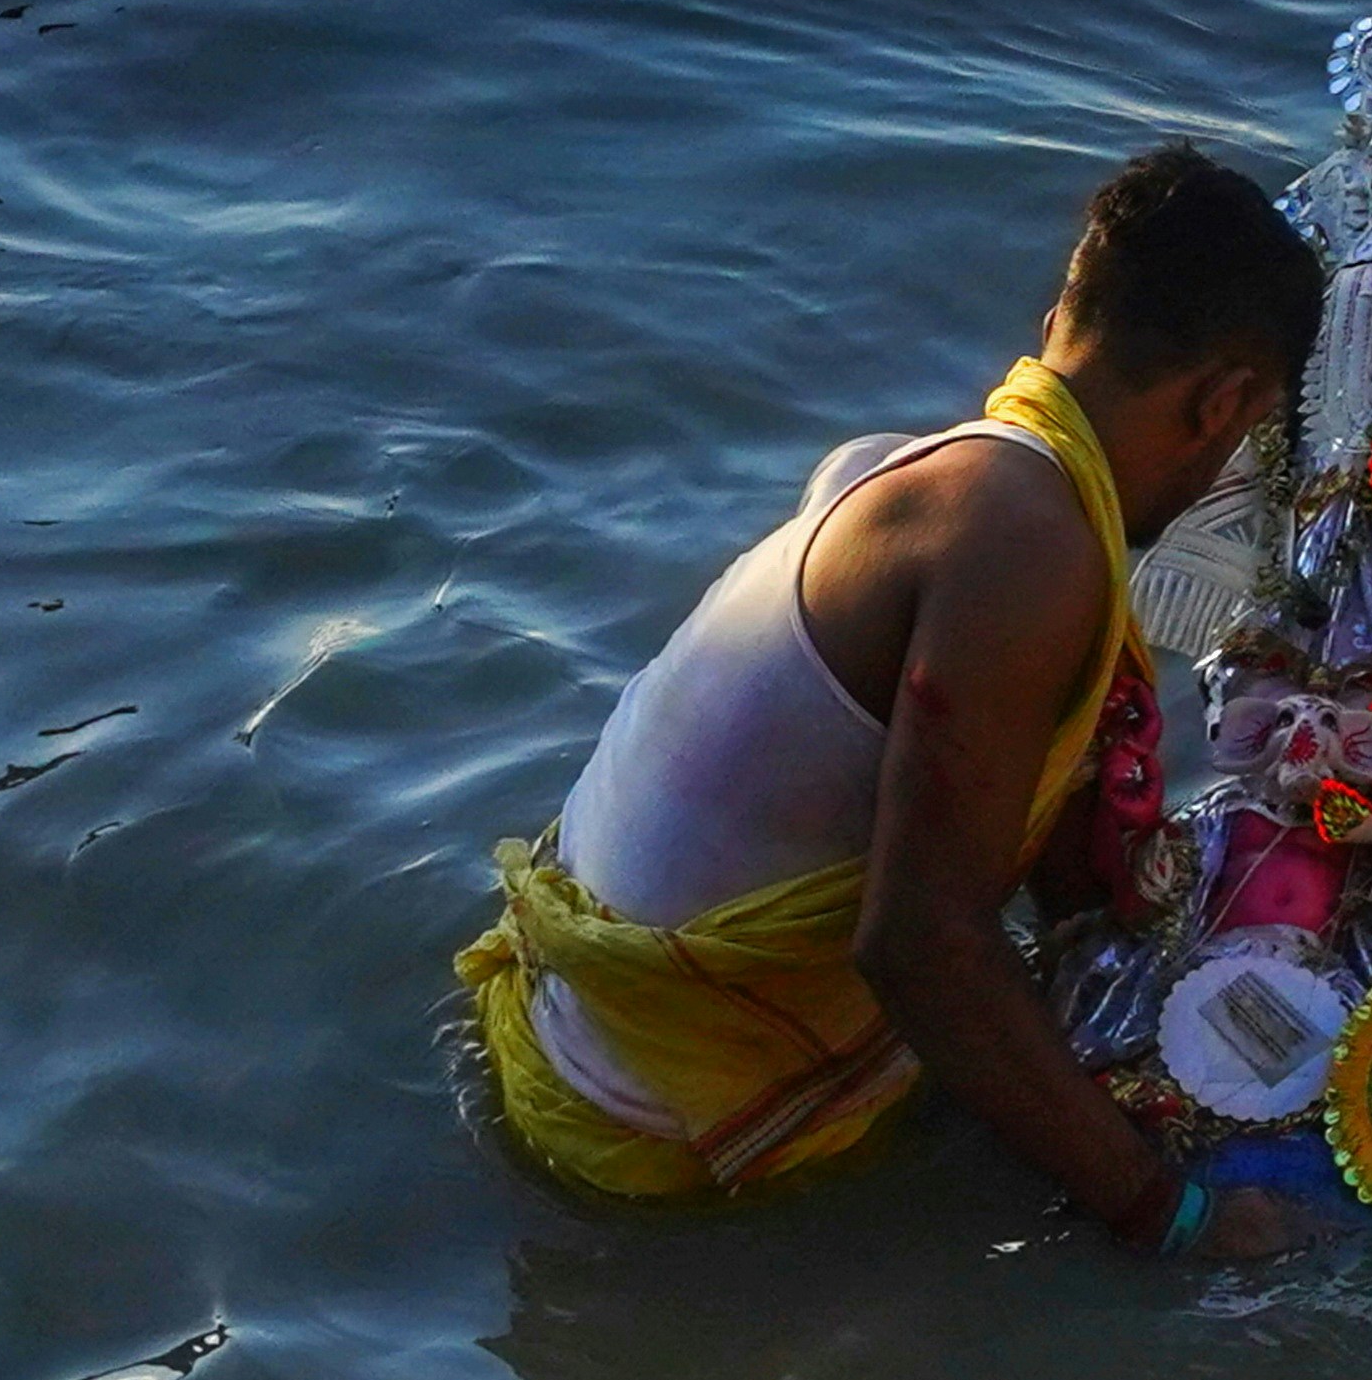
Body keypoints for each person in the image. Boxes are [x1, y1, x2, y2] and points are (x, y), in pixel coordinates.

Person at [460, 144, 1323, 1253]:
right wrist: (1173, 1215)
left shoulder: (921, 469)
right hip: (660, 1131)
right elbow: (920, 944)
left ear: (1070, 307)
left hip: (562, 1031)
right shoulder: (1027, 548)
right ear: (1224, 403)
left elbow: (1008, 815)